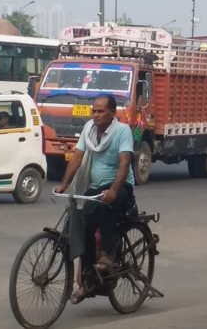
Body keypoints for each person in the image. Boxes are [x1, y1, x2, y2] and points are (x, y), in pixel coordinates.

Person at [54, 94, 135, 304]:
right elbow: (77, 157)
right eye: (94, 111)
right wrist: (65, 183)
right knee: (81, 221)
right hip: (97, 186)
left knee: (103, 206)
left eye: (101, 111)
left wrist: (114, 190)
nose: (96, 115)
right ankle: (87, 278)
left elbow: (124, 163)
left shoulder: (122, 131)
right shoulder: (89, 129)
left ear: (112, 113)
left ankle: (108, 253)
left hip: (121, 187)